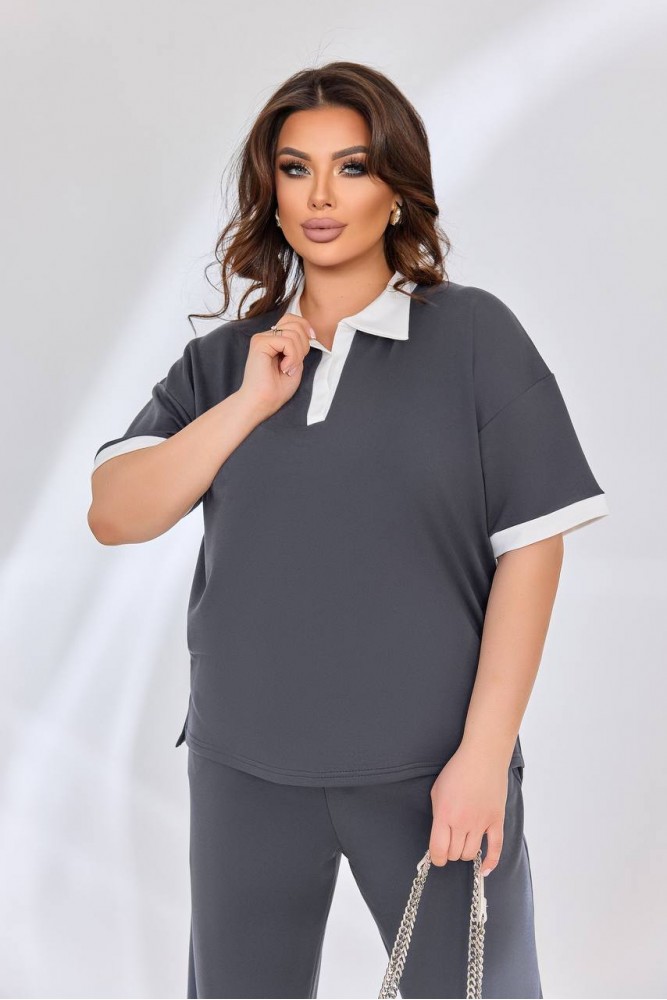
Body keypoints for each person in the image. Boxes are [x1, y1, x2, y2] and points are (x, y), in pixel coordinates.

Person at [88, 61, 610, 1000]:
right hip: (244, 765)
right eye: (296, 169)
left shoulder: (473, 339)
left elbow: (532, 549)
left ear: (395, 187)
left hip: (431, 769)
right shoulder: (225, 364)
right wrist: (250, 403)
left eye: (352, 167)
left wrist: (483, 757)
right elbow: (116, 513)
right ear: (271, 190)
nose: (320, 197)